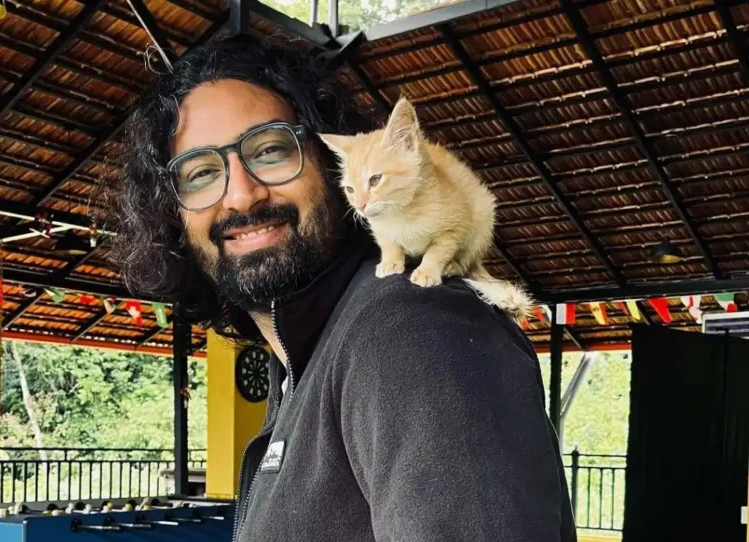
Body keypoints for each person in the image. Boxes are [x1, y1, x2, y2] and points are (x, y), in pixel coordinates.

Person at [109, 34, 577, 541]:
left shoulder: (414, 332)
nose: (241, 194)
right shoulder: (305, 356)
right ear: (173, 214)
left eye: (269, 150)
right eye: (201, 173)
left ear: (331, 167)